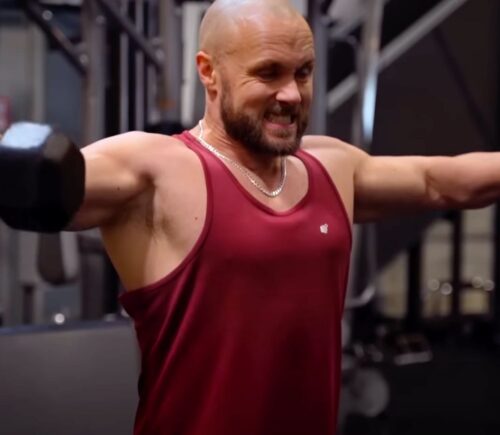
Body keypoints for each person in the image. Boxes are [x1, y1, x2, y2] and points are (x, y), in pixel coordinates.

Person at [66, 0, 497, 434]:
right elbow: (51, 184)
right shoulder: (152, 165)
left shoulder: (331, 164)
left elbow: (439, 182)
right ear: (209, 72)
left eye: (303, 72)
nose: (291, 94)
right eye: (269, 72)